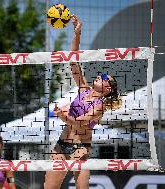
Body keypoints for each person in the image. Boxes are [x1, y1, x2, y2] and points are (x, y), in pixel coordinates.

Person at [44, 15, 122, 189]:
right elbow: (73, 62)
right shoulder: (83, 89)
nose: (99, 76)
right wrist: (77, 33)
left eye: (104, 78)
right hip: (61, 145)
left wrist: (62, 115)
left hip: (81, 148)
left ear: (107, 88)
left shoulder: (100, 106)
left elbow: (80, 123)